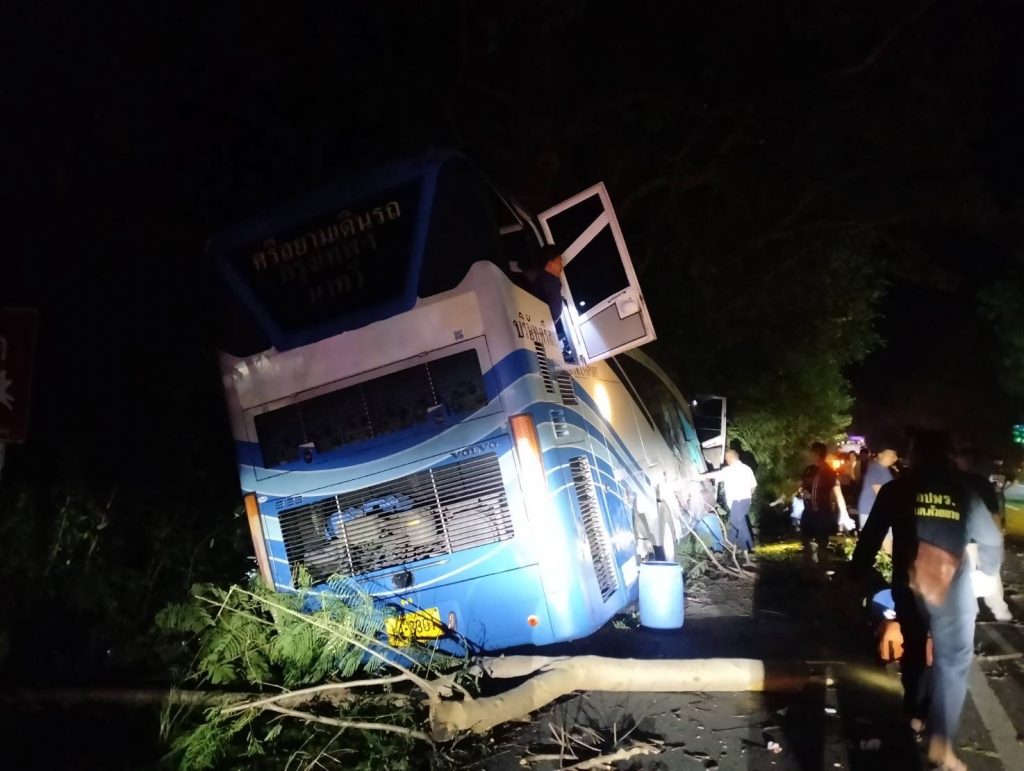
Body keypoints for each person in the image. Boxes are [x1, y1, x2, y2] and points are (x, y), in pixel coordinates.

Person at [851, 430, 1003, 771]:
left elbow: (871, 537)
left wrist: (854, 575)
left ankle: (915, 714)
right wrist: (988, 571)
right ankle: (940, 744)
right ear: (949, 455)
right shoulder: (966, 490)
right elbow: (991, 540)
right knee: (953, 663)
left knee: (915, 650)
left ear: (915, 455)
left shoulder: (896, 489)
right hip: (952, 592)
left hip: (909, 588)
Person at [955, 449, 1012, 621]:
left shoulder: (953, 482)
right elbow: (994, 512)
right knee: (991, 573)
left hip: (964, 537)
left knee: (966, 575)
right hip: (983, 536)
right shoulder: (981, 482)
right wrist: (997, 533)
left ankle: (971, 612)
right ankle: (1000, 611)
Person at [702, 448, 757, 565]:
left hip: (737, 501)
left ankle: (747, 554)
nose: (726, 460)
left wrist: (700, 476)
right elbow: (753, 486)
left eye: (726, 458)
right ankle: (731, 545)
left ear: (731, 457)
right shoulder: (747, 469)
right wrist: (748, 495)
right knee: (737, 524)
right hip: (745, 501)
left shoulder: (730, 470)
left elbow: (714, 475)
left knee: (740, 526)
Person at [799, 442, 841, 572]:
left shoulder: (828, 472)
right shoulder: (809, 470)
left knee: (822, 541)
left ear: (816, 454)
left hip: (822, 513)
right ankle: (809, 568)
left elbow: (836, 491)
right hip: (808, 511)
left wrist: (842, 512)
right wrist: (802, 492)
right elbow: (802, 486)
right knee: (806, 540)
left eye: (812, 453)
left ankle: (822, 569)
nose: (810, 455)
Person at [511, 245, 564, 324]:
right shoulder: (549, 282)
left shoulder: (539, 280)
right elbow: (554, 313)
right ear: (549, 263)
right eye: (559, 263)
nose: (561, 267)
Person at [857, 444, 899, 530]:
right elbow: (881, 494)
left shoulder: (885, 469)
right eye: (890, 455)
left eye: (895, 455)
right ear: (880, 455)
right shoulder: (875, 469)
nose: (894, 458)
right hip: (871, 512)